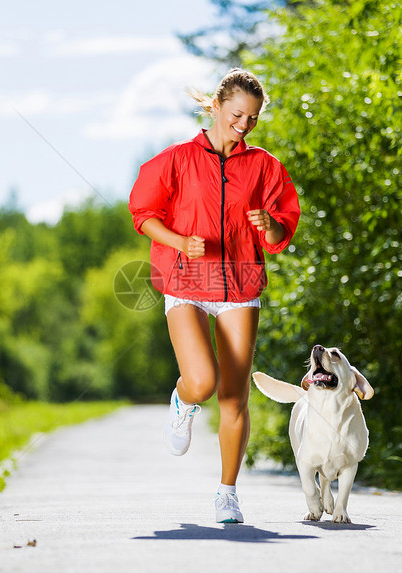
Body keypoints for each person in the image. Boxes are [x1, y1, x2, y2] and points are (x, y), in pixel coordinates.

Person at [128, 68, 300, 523]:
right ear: (217, 106)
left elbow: (283, 231)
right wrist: (179, 241)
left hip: (240, 285)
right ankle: (183, 400)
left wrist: (271, 225)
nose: (244, 125)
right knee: (202, 381)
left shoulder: (264, 166)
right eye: (237, 114)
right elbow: (143, 212)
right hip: (186, 281)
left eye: (253, 118)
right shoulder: (178, 159)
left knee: (233, 396)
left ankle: (227, 493)